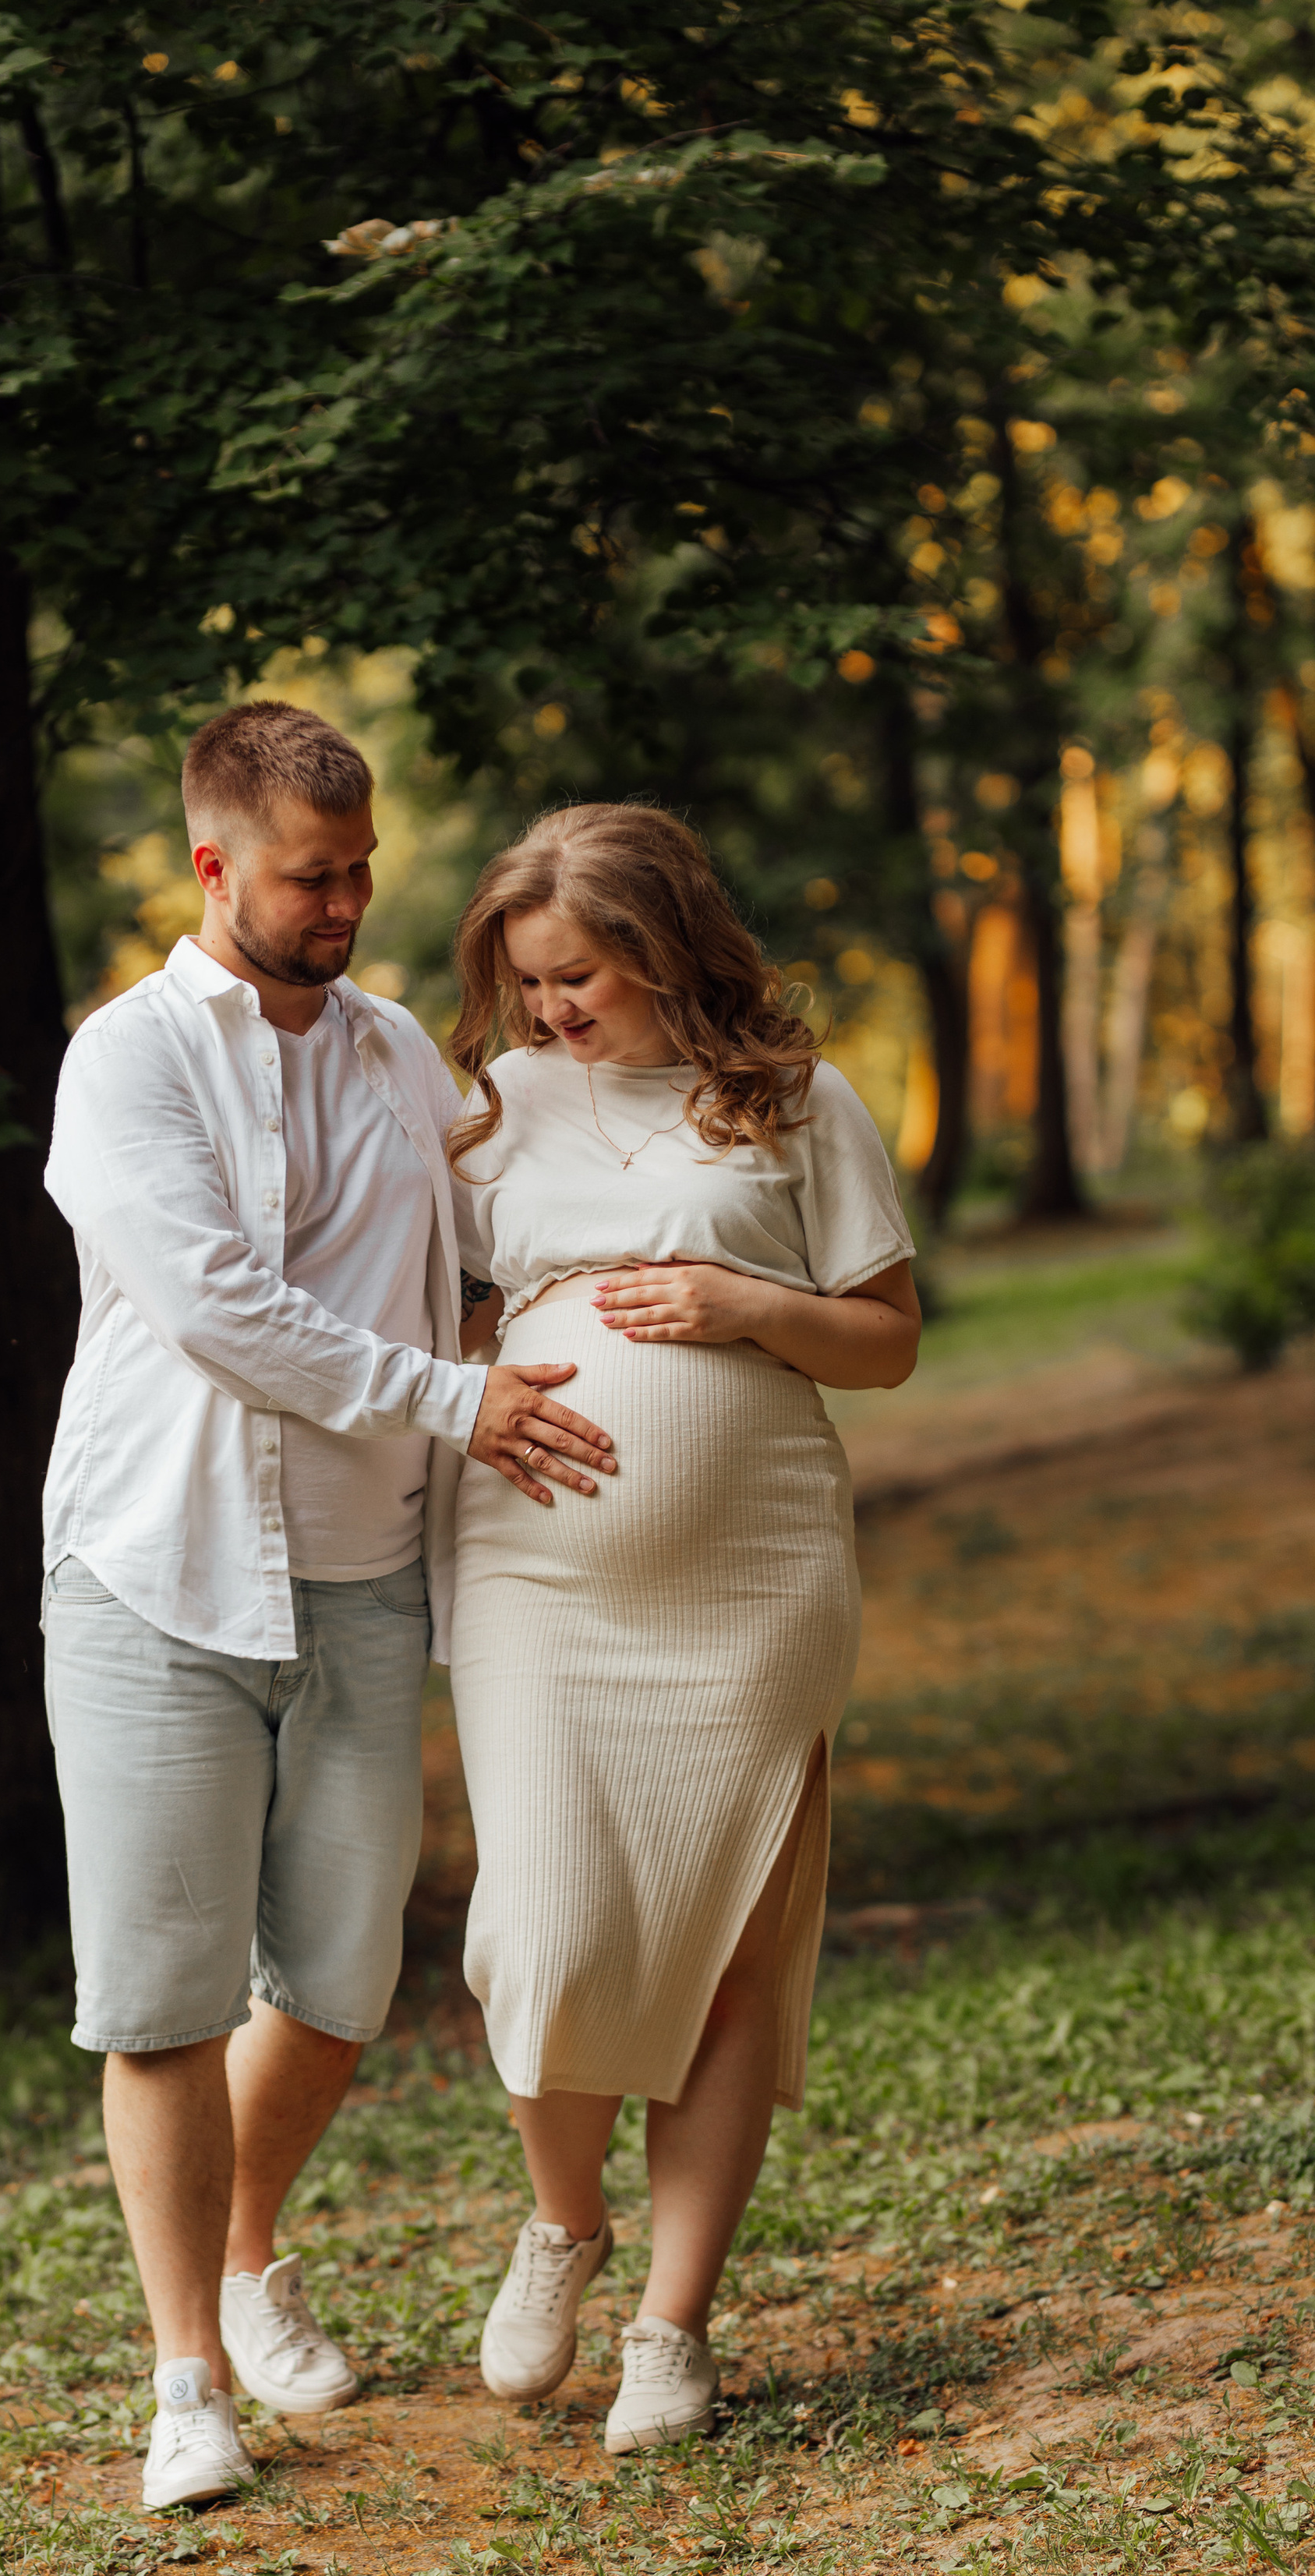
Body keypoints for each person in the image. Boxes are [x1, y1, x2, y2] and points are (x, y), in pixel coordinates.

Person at [38, 703, 617, 2511]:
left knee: (344, 1981)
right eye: (309, 876)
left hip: (362, 1578)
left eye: (360, 869)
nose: (345, 904)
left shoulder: (396, 1057)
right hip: (154, 1569)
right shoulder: (125, 1060)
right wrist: (457, 1398)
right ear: (213, 866)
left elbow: (504, 1234)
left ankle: (240, 2252)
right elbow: (218, 1308)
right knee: (160, 2005)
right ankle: (185, 2383)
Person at [447, 802, 921, 2454]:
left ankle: (672, 2325)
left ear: (659, 948)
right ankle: (562, 2220)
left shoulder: (795, 1101)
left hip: (754, 1572)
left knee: (726, 1953)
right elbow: (441, 1318)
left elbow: (885, 1341)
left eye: (575, 975)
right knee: (542, 1926)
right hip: (535, 1572)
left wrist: (743, 1307)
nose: (548, 1009)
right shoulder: (490, 1112)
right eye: (527, 981)